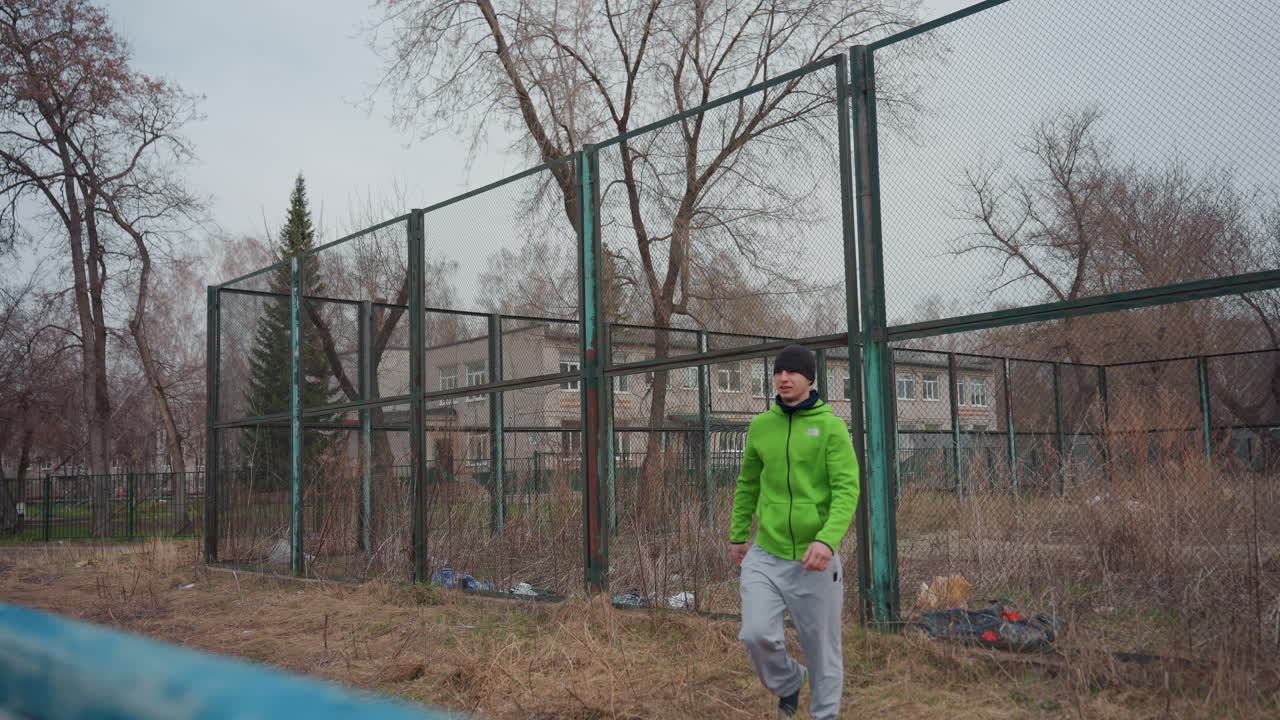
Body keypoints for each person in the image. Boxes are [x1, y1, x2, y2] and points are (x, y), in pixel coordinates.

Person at [728, 344, 860, 720]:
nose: (784, 378)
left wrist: (827, 540)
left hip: (814, 559)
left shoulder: (831, 427)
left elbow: (846, 489)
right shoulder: (761, 426)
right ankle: (788, 681)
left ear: (810, 378)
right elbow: (747, 483)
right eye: (779, 372)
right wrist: (738, 534)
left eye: (793, 372)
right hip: (766, 552)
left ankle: (824, 715)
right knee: (755, 634)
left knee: (822, 651)